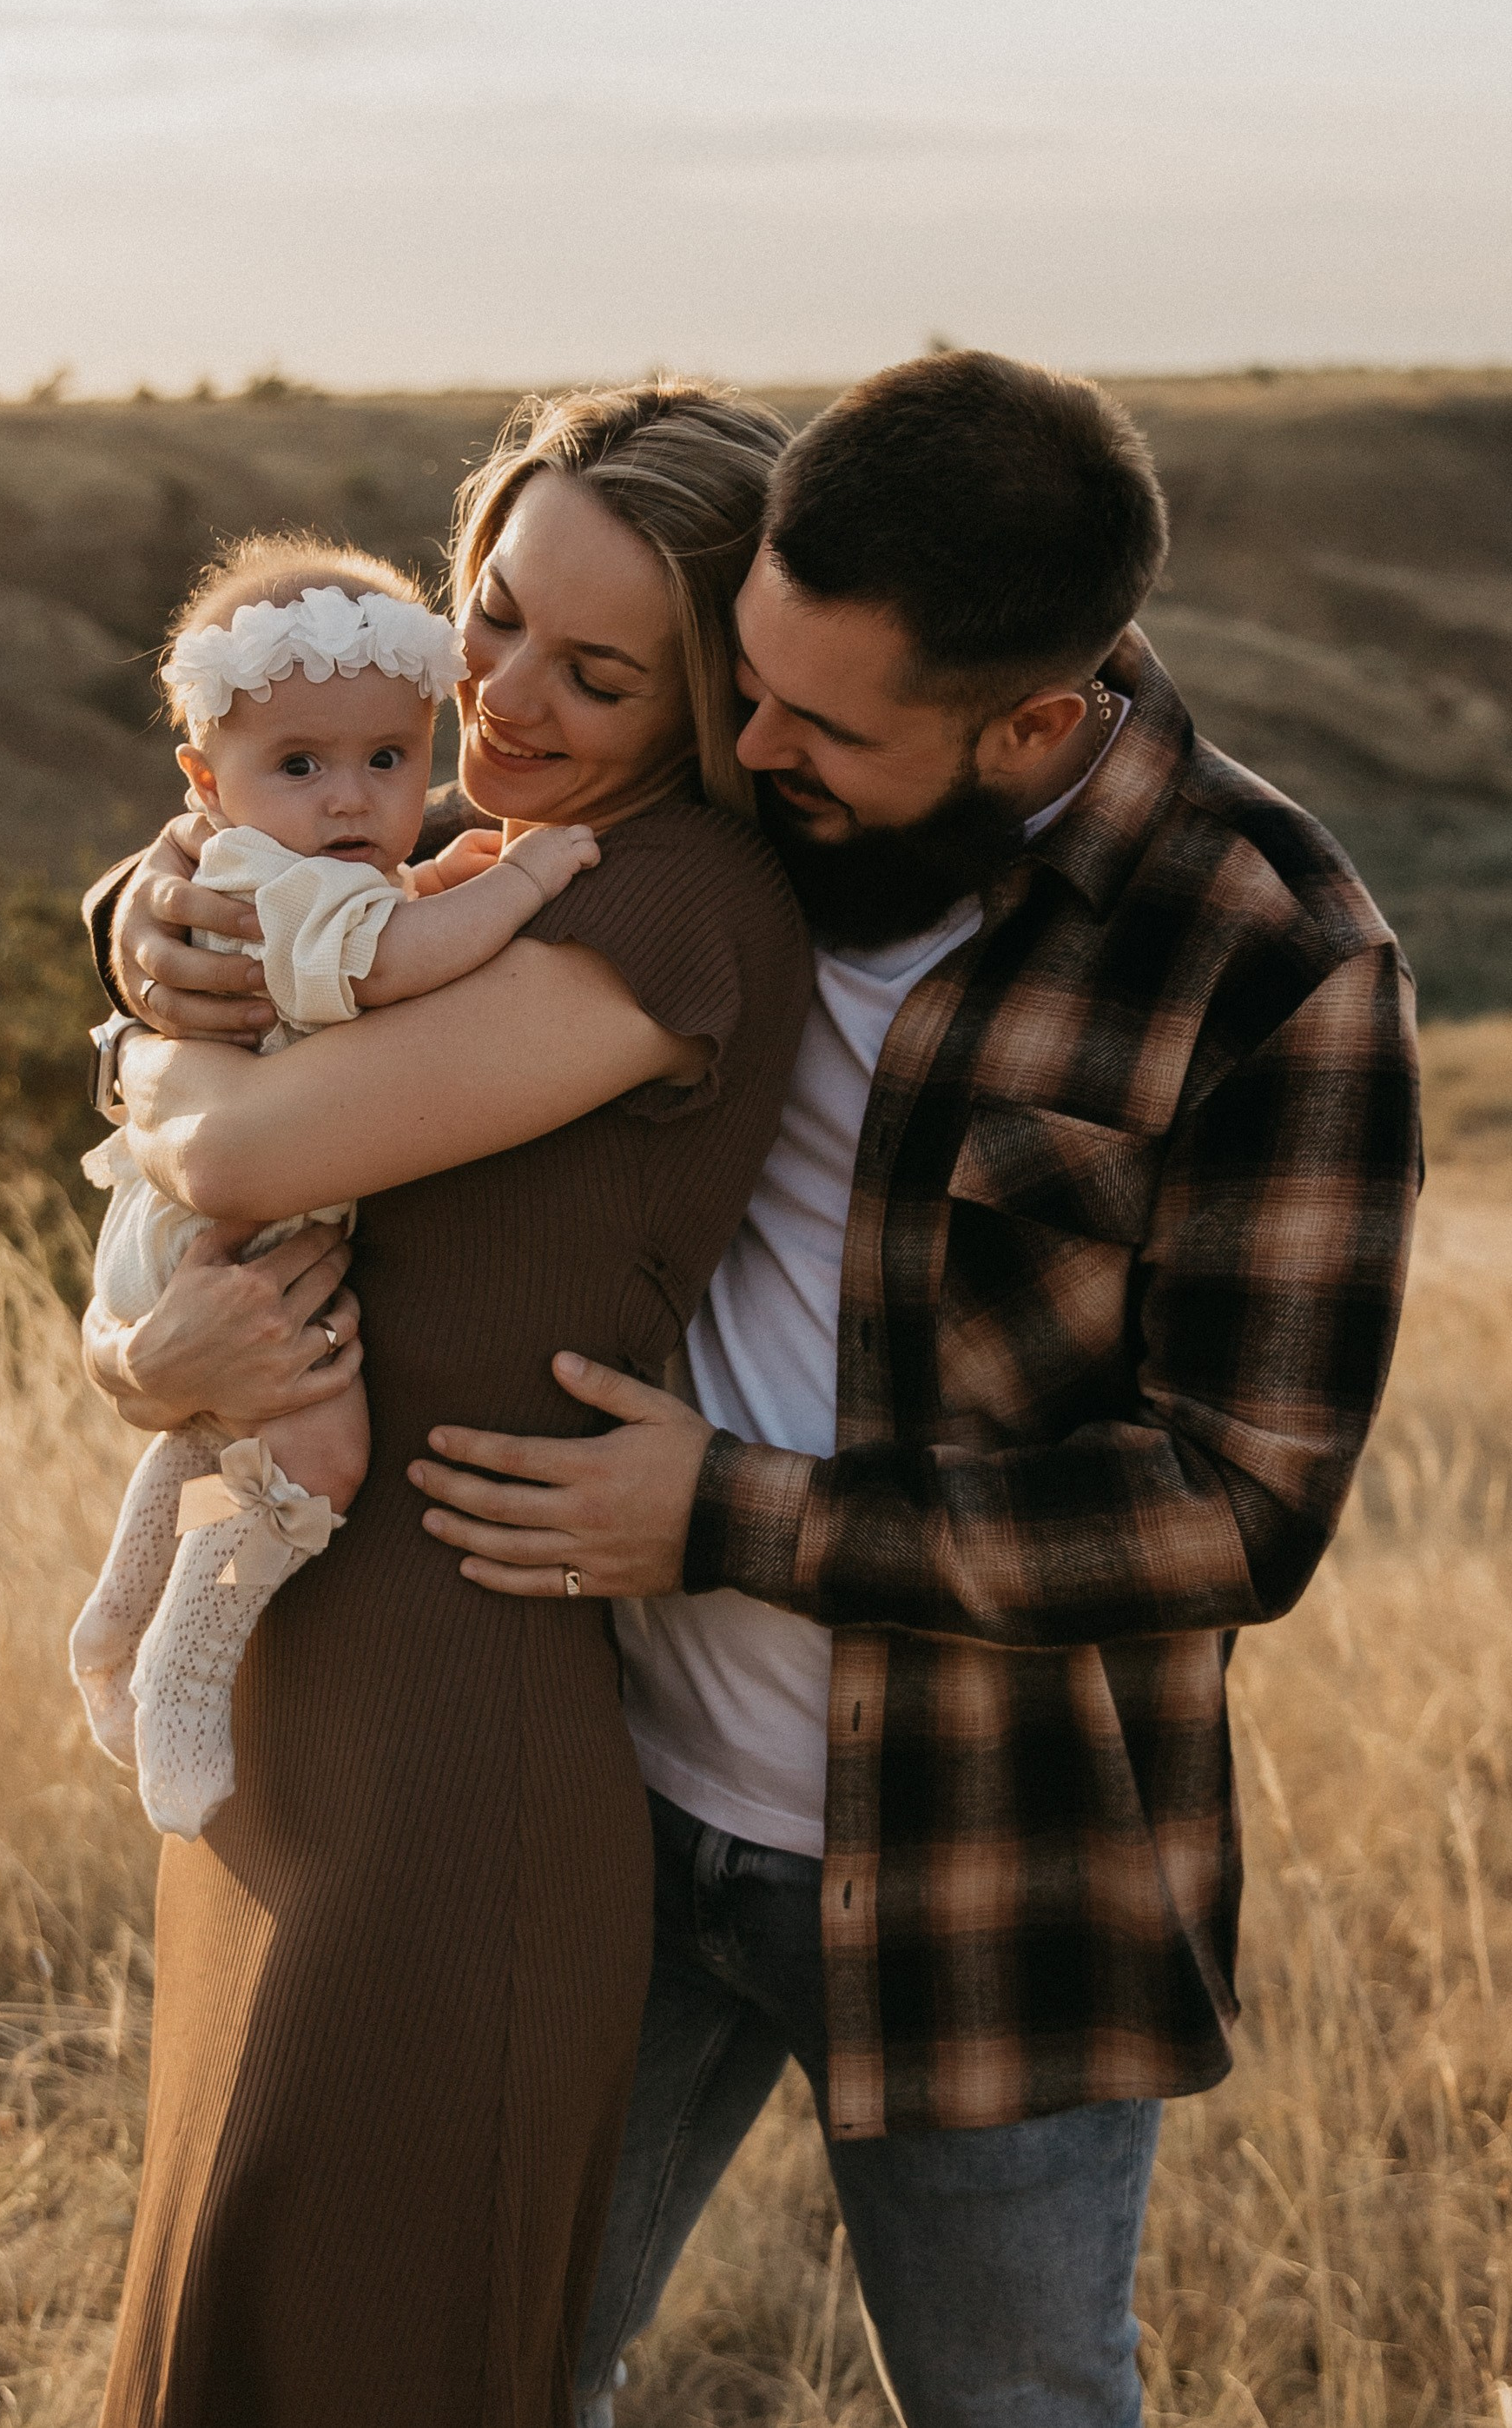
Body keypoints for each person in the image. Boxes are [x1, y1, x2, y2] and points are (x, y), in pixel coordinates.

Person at [407, 351, 1424, 2427]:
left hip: (993, 1865)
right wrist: (143, 924)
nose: (747, 741)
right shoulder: (742, 790)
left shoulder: (1271, 960)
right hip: (609, 1799)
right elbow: (361, 867)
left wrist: (729, 1512)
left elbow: (1238, 1507)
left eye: (817, 722)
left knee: (1018, 2401)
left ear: (1033, 721)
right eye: (738, 680)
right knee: (478, 2359)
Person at [77, 382, 811, 2428]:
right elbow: (202, 1229)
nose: (508, 692)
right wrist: (141, 1360)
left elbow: (223, 1151)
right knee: (227, 2280)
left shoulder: (675, 905)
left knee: (372, 2326)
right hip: (289, 1682)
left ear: (716, 694)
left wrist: (142, 1041)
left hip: (452, 1711)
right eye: (491, 617)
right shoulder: (441, 856)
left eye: (599, 668)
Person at [69, 539, 598, 1839]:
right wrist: (524, 873)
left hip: (191, 1241)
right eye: (299, 766)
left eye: (385, 760)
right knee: (320, 1446)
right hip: (235, 1229)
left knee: (209, 1421)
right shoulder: (281, 888)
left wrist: (450, 871)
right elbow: (399, 959)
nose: (353, 800)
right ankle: (186, 1670)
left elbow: (396, 911)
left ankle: (114, 1610)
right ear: (206, 782)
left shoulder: (282, 867)